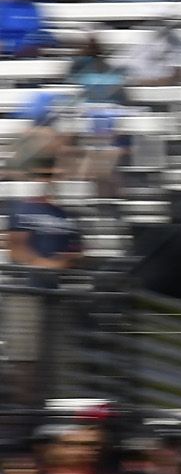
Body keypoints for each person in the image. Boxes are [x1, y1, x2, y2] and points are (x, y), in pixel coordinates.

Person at [4, 169, 82, 413]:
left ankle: (52, 413)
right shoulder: (21, 210)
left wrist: (62, 263)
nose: (48, 180)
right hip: (25, 292)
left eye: (52, 175)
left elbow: (77, 249)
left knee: (57, 358)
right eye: (42, 175)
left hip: (56, 294)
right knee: (25, 358)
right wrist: (47, 265)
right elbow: (16, 248)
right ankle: (24, 415)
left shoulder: (65, 215)